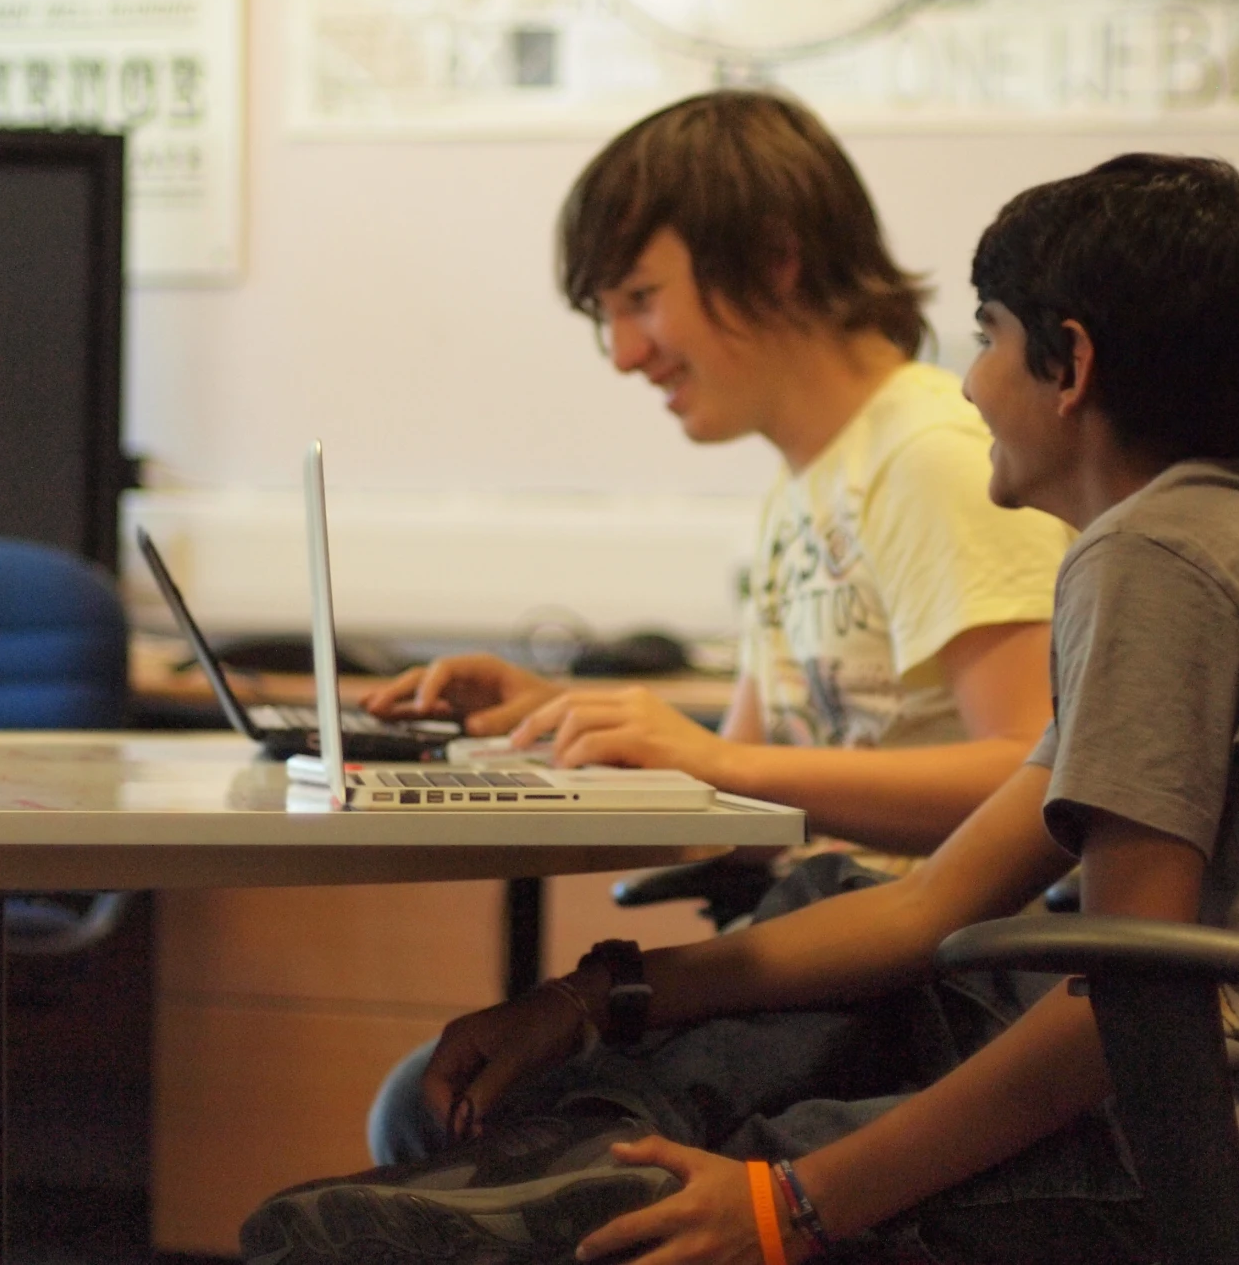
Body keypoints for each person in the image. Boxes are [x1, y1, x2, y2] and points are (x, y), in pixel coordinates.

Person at [243, 155, 1239, 1265]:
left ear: (1068, 365)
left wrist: (797, 1205)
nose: (966, 385)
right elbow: (931, 904)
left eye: (987, 336)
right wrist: (589, 999)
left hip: (1233, 1180)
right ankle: (525, 1191)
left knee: (717, 1184)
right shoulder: (1236, 545)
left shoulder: (1152, 565)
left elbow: (1131, 1000)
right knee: (780, 1022)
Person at [360, 89, 1070, 1159]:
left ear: (775, 261)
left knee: (478, 1125)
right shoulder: (804, 487)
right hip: (823, 936)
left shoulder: (927, 455)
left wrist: (714, 754)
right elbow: (753, 771)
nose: (624, 354)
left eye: (640, 299)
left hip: (920, 970)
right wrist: (555, 716)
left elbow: (1038, 776)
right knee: (437, 1103)